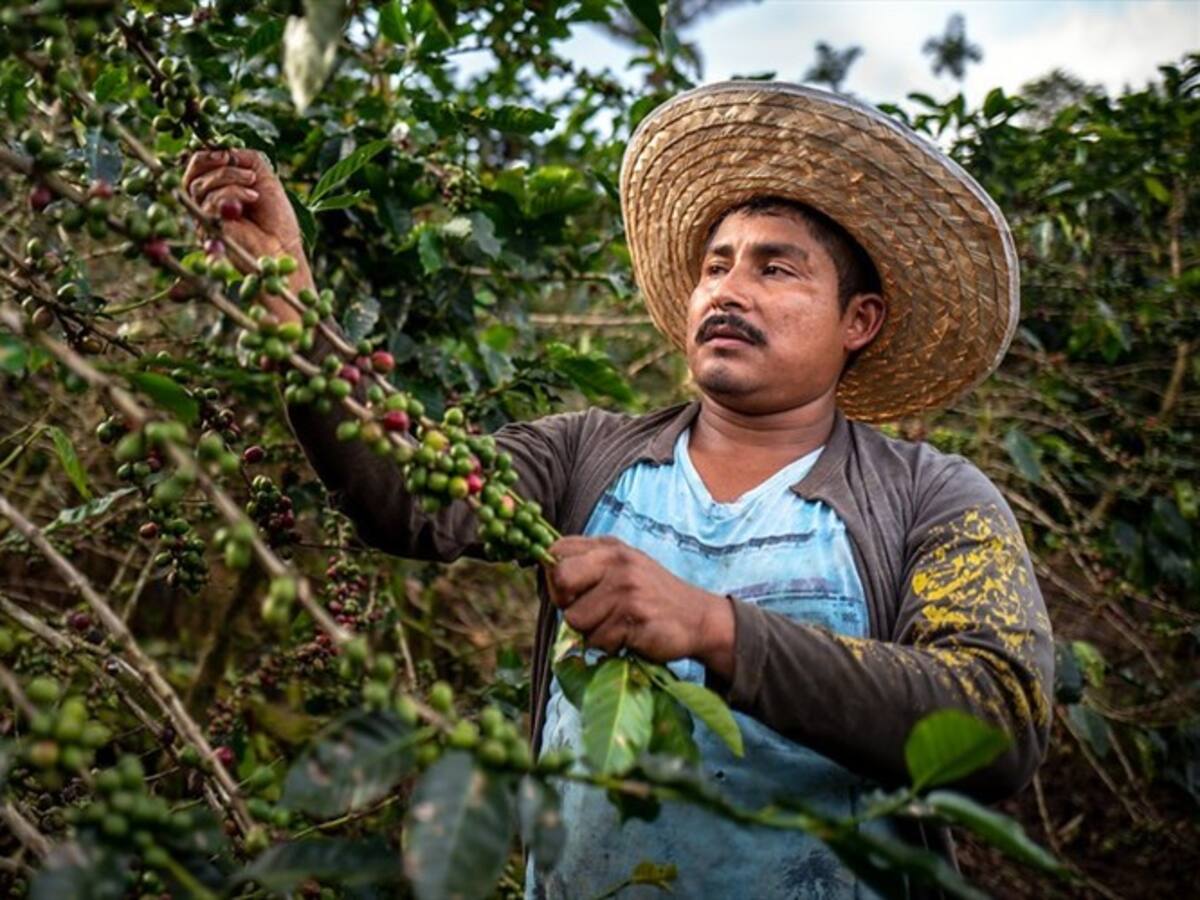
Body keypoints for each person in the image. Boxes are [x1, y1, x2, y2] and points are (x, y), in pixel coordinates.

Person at [184, 82, 1053, 899]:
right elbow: (408, 495)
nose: (726, 291)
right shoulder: (586, 454)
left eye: (776, 271)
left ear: (858, 321)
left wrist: (713, 628)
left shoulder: (931, 497)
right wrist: (289, 298)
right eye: (716, 266)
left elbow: (996, 718)